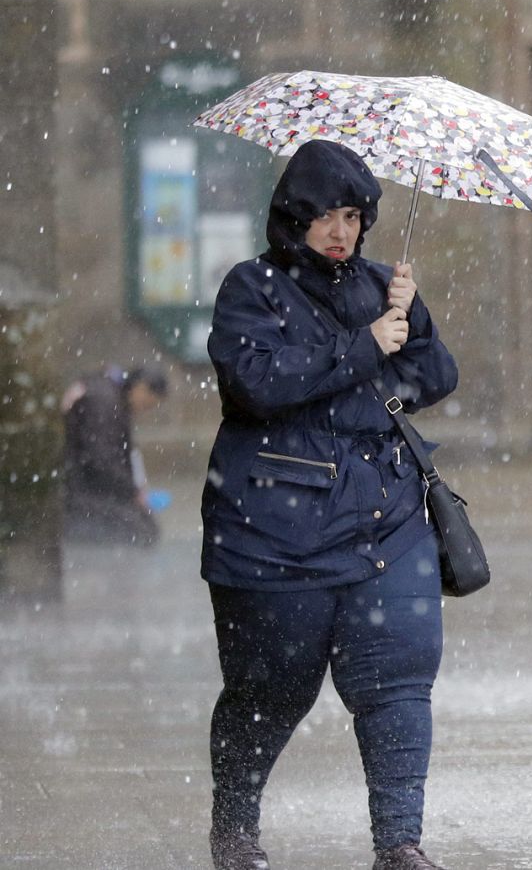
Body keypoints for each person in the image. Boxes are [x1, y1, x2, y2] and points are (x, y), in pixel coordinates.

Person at [201, 139, 459, 870]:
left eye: (351, 215)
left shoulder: (383, 286)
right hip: (273, 529)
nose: (340, 231)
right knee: (269, 690)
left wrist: (412, 322)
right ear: (292, 218)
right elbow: (258, 385)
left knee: (400, 678)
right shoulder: (250, 289)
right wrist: (365, 346)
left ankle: (400, 843)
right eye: (323, 216)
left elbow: (436, 375)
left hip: (387, 518)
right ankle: (235, 828)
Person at [62, 364, 168, 546]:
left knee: (145, 526)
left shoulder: (108, 393)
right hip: (82, 493)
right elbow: (100, 459)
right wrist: (132, 492)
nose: (145, 410)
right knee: (144, 532)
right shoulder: (104, 403)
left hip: (89, 487)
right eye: (148, 404)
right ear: (141, 388)